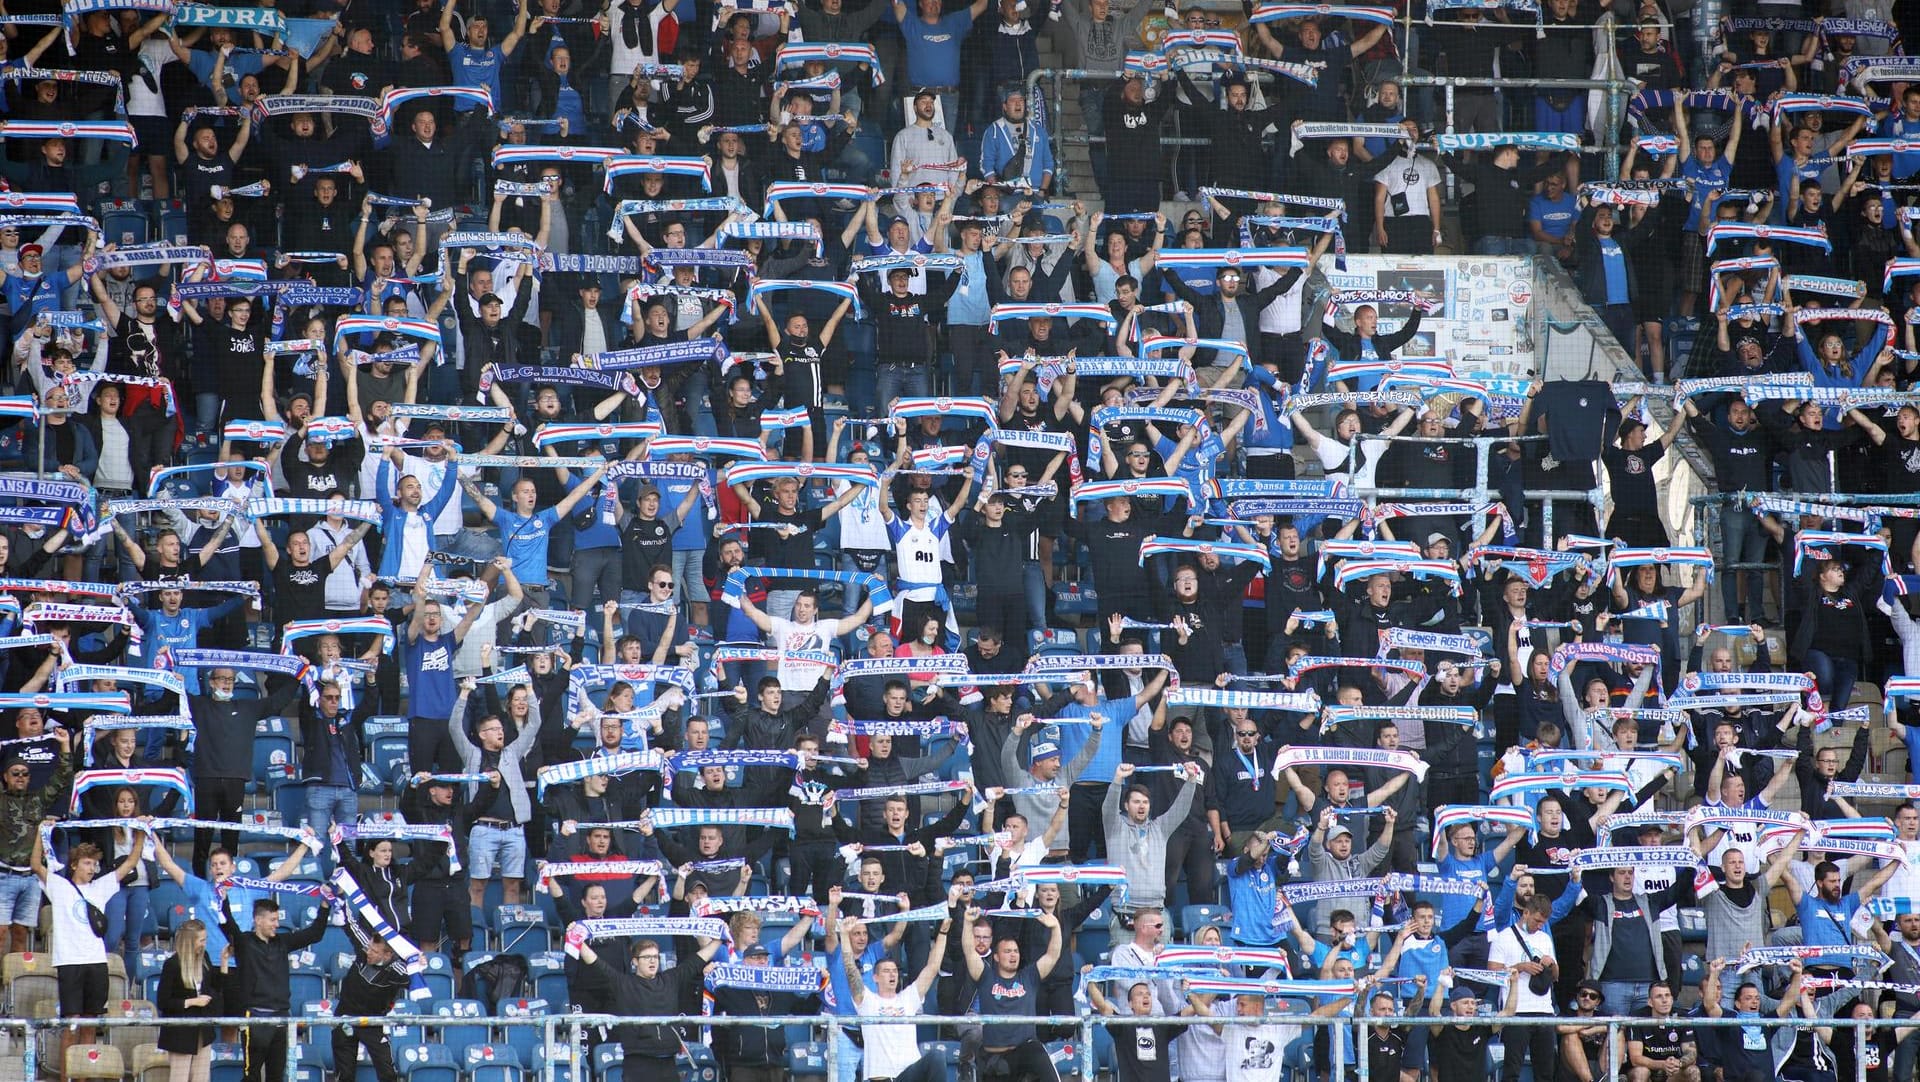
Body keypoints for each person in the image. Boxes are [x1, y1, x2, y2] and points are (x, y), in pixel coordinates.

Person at [33, 825, 144, 1068]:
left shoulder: (101, 887)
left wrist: (141, 833)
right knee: (71, 1024)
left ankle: (84, 1072)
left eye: (94, 864)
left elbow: (131, 861)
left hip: (97, 963)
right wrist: (41, 833)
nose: (92, 868)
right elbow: (35, 865)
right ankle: (67, 1075)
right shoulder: (59, 886)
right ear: (74, 865)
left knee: (90, 1023)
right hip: (70, 963)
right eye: (87, 863)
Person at [155, 919, 225, 1082]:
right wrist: (192, 1002)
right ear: (190, 941)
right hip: (180, 1032)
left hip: (203, 1030)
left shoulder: (205, 958)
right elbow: (163, 1002)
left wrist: (224, 962)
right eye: (201, 940)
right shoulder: (172, 965)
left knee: (201, 1078)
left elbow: (215, 987)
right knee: (179, 1078)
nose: (204, 944)